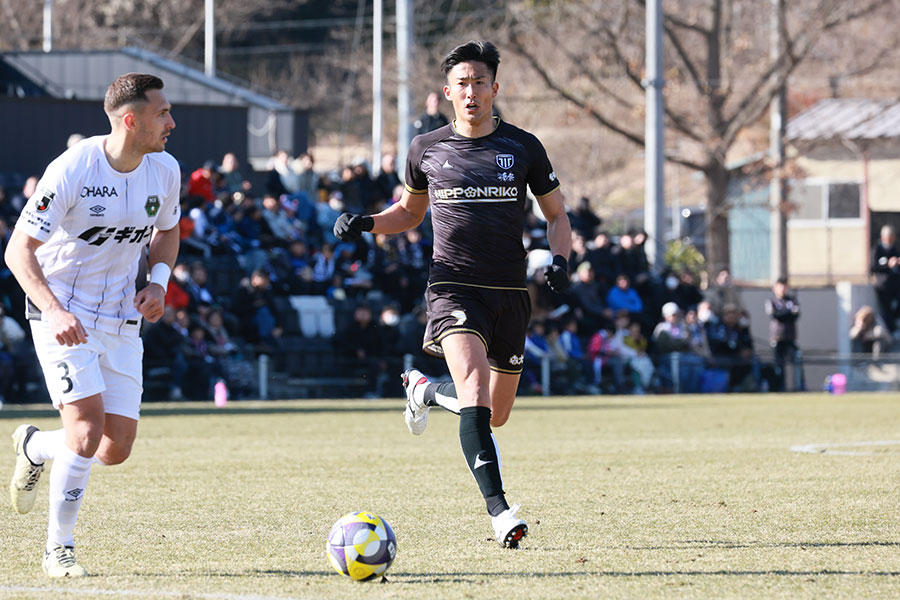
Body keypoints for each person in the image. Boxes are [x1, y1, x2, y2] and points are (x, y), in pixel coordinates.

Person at [334, 41, 572, 548]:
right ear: (447, 92)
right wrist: (367, 223)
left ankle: (423, 391)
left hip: (510, 292)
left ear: (494, 89)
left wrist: (560, 260)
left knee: (495, 414)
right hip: (453, 286)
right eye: (462, 84)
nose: (471, 92)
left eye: (479, 82)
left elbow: (557, 215)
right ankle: (500, 512)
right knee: (474, 389)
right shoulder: (426, 148)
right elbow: (409, 212)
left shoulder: (523, 147)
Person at [6, 73, 179, 577]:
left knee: (114, 448)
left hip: (122, 318)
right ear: (131, 121)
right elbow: (18, 251)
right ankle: (57, 548)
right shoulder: (73, 167)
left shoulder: (165, 169)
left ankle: (35, 446)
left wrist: (159, 284)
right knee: (84, 431)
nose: (171, 122)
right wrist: (54, 310)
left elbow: (167, 231)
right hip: (63, 314)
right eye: (162, 113)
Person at [764, 277, 804, 391]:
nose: (782, 289)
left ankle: (799, 386)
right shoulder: (771, 301)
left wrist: (784, 313)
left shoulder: (792, 300)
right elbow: (775, 315)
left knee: (797, 360)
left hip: (790, 338)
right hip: (777, 338)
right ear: (774, 288)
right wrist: (788, 313)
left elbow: (796, 315)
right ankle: (780, 388)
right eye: (779, 286)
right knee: (778, 365)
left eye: (784, 286)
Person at [870, 224, 900, 333]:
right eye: (890, 237)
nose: (892, 240)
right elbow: (873, 266)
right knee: (887, 309)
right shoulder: (877, 249)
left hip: (895, 284)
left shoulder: (893, 249)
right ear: (884, 237)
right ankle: (890, 330)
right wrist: (888, 264)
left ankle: (895, 323)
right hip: (884, 286)